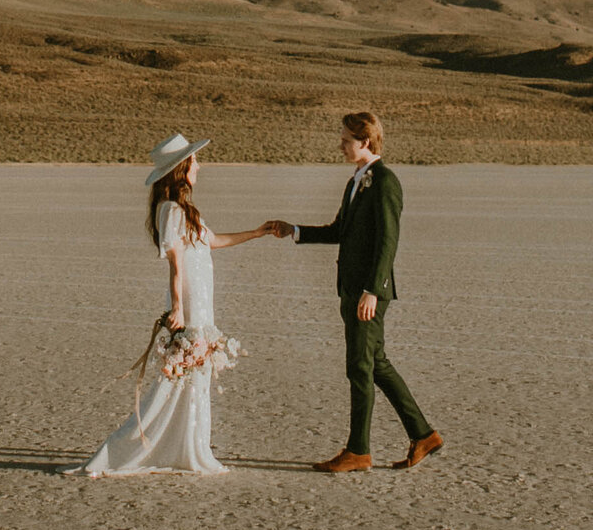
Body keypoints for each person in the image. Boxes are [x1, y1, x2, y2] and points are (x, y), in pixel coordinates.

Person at [83, 133, 286, 477]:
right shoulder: (171, 210)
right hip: (190, 302)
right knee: (184, 370)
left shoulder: (184, 210)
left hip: (202, 301)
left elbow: (213, 241)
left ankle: (191, 446)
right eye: (194, 162)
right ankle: (156, 446)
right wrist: (178, 307)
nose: (199, 167)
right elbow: (176, 262)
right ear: (182, 169)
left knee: (196, 372)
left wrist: (257, 232)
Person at [270, 111, 441, 474]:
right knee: (375, 364)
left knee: (359, 366)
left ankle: (358, 451)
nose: (341, 145)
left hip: (367, 294)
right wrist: (294, 230)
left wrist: (371, 292)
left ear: (365, 142)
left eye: (346, 139)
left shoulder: (384, 182)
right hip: (352, 290)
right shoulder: (356, 182)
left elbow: (387, 242)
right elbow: (339, 231)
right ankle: (423, 435)